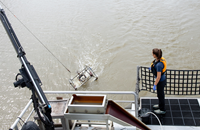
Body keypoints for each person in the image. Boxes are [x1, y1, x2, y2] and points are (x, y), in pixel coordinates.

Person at [150, 48, 167, 114]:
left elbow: (158, 77)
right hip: (161, 80)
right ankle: (160, 105)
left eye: (152, 53)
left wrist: (155, 85)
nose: (152, 54)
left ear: (154, 55)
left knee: (161, 95)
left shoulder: (159, 65)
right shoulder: (159, 59)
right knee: (159, 95)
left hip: (161, 82)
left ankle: (162, 110)